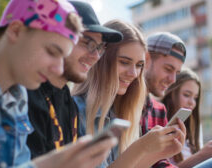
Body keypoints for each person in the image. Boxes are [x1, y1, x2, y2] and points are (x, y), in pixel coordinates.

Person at [0, 0, 116, 168]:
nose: (58, 69)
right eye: (52, 52)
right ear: (16, 31)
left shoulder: (18, 96)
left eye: (63, 56)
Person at [72, 20, 185, 168]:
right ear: (101, 59)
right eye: (124, 62)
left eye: (139, 65)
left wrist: (159, 154)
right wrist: (141, 148)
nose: (133, 73)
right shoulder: (76, 110)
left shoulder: (123, 111)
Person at [26, 0, 123, 158]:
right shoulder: (25, 93)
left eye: (99, 48)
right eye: (88, 43)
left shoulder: (70, 104)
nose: (96, 56)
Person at [140, 32, 187, 168]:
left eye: (177, 73)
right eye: (168, 69)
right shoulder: (122, 103)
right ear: (146, 60)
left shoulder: (159, 110)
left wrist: (167, 152)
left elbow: (160, 164)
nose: (172, 80)